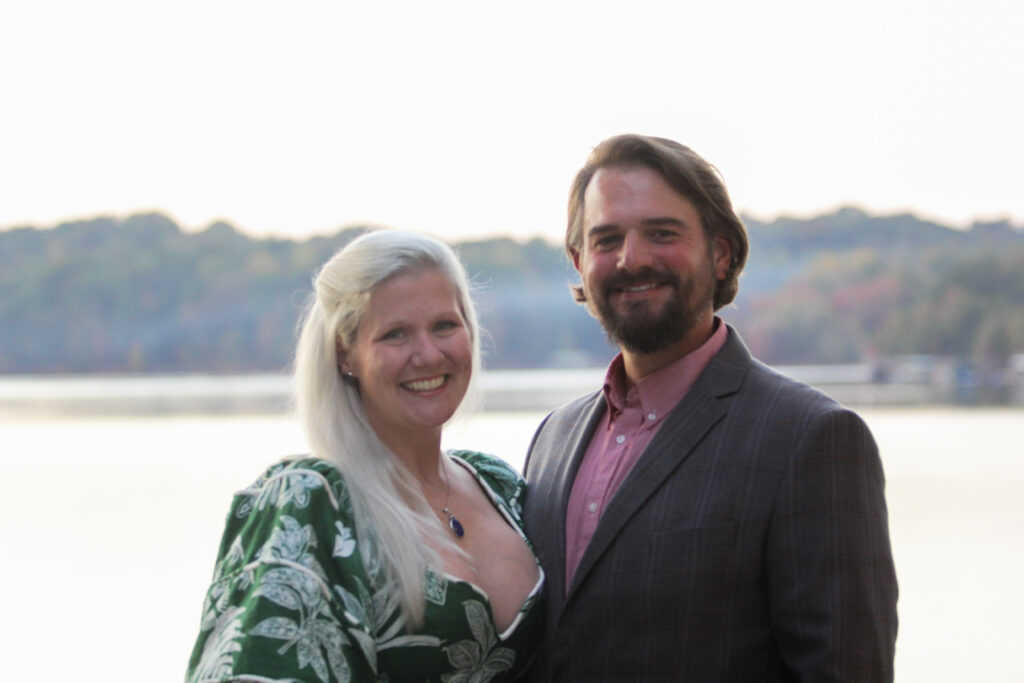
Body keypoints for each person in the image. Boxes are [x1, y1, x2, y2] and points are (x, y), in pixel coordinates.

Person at [522, 134, 898, 681]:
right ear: (580, 262)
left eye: (661, 233)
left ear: (720, 253)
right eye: (607, 239)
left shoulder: (812, 439)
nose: (633, 258)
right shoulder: (553, 439)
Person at [186, 230, 544, 683]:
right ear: (344, 354)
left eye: (445, 326)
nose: (428, 354)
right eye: (396, 334)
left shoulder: (500, 486)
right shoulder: (312, 502)